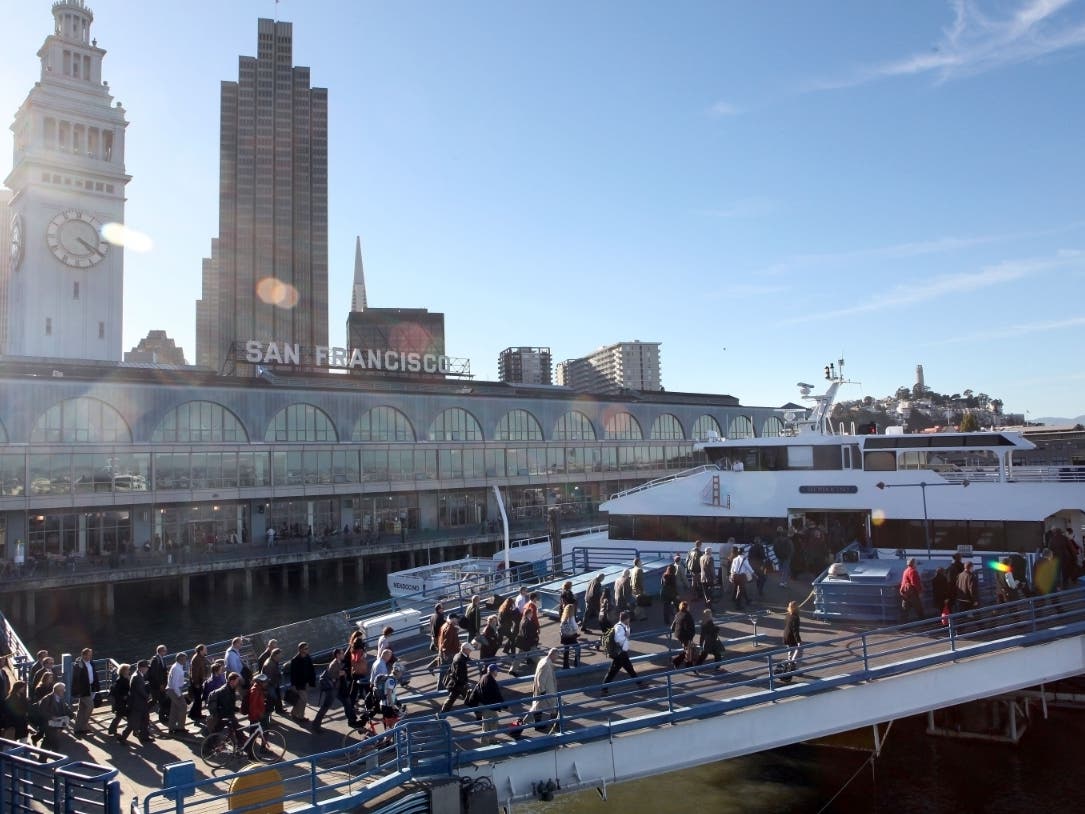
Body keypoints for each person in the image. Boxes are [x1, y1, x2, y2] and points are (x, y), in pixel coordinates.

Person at [313, 647, 356, 733]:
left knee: (347, 702)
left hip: (338, 688)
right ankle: (316, 724)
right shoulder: (334, 664)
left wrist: (342, 673)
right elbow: (331, 676)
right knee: (326, 706)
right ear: (337, 655)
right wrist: (340, 673)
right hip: (332, 689)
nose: (343, 654)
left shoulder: (339, 662)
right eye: (342, 653)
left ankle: (352, 720)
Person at [601, 611, 638, 694]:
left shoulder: (622, 626)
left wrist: (628, 629)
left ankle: (639, 683)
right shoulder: (619, 628)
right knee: (613, 671)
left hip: (622, 653)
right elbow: (618, 639)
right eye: (628, 619)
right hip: (620, 654)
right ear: (626, 619)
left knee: (629, 668)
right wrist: (626, 637)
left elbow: (625, 634)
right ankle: (604, 688)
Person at [120, 661, 152, 745]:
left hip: (140, 703)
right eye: (146, 667)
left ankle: (144, 737)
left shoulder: (138, 675)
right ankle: (123, 738)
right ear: (141, 668)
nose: (147, 669)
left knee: (145, 719)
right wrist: (148, 696)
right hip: (137, 703)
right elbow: (140, 690)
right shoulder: (137, 677)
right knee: (133, 722)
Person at [70, 646, 99, 737]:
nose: (90, 657)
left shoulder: (91, 663)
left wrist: (95, 686)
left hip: (90, 688)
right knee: (90, 706)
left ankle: (78, 728)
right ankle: (84, 726)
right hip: (83, 690)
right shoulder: (79, 664)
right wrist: (77, 691)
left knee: (82, 709)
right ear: (83, 655)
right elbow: (76, 679)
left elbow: (94, 674)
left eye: (90, 655)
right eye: (88, 655)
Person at [529, 648, 559, 734]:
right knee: (553, 706)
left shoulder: (543, 660)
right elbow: (540, 679)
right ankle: (554, 724)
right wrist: (543, 691)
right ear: (552, 655)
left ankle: (538, 724)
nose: (557, 659)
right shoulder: (546, 664)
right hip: (546, 690)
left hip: (543, 689)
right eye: (557, 656)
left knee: (538, 707)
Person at [38, 681, 73, 751]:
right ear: (58, 691)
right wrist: (51, 717)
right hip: (49, 724)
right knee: (52, 741)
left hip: (57, 723)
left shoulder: (60, 698)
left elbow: (65, 708)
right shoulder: (47, 699)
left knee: (49, 741)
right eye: (63, 690)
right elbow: (42, 711)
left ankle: (44, 758)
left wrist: (71, 715)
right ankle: (54, 758)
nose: (64, 692)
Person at [475, 663, 505, 745]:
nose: (497, 672)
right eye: (496, 671)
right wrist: (505, 706)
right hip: (488, 705)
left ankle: (490, 739)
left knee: (490, 721)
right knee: (489, 723)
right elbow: (497, 695)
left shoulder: (484, 677)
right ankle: (486, 741)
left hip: (484, 704)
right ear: (493, 671)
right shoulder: (491, 681)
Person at [440, 643, 472, 713]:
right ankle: (480, 716)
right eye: (469, 650)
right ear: (465, 650)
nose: (470, 651)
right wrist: (464, 683)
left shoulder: (458, 655)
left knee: (450, 700)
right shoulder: (461, 660)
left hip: (455, 683)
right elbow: (459, 674)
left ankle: (441, 715)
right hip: (459, 684)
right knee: (471, 700)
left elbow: (465, 658)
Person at [288, 642, 316, 722]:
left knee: (300, 700)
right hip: (299, 684)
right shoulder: (295, 660)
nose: (307, 650)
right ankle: (300, 716)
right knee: (304, 700)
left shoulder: (307, 657)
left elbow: (311, 669)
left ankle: (293, 712)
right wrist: (293, 685)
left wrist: (312, 681)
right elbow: (293, 674)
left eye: (307, 648)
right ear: (300, 650)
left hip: (306, 682)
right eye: (305, 648)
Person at [166, 651, 188, 736]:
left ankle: (172, 728)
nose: (185, 660)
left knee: (174, 709)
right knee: (183, 707)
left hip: (173, 690)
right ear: (180, 659)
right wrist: (179, 695)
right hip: (174, 690)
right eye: (184, 659)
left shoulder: (177, 667)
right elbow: (175, 684)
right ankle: (180, 727)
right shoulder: (176, 668)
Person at [437, 613, 461, 687]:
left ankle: (442, 687)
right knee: (446, 671)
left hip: (445, 652)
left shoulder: (445, 625)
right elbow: (447, 642)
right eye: (456, 619)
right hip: (449, 653)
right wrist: (445, 653)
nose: (457, 621)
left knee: (444, 671)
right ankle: (442, 687)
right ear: (453, 619)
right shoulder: (450, 628)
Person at [147, 643, 170, 724]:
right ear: (160, 651)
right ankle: (145, 711)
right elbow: (155, 674)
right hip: (157, 686)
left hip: (161, 684)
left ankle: (162, 716)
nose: (166, 652)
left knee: (159, 700)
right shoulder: (155, 660)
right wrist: (160, 684)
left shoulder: (161, 659)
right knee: (159, 700)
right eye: (164, 650)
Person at [106, 664, 130, 738]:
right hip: (121, 701)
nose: (129, 671)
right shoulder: (122, 680)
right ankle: (113, 730)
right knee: (121, 715)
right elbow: (121, 691)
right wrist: (125, 696)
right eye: (128, 670)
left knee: (119, 715)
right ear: (124, 671)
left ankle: (112, 729)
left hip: (120, 700)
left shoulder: (121, 678)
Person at [670, 600, 696, 668]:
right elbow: (691, 627)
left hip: (679, 635)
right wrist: (691, 636)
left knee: (688, 649)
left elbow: (672, 627)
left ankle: (685, 663)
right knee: (689, 649)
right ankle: (679, 662)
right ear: (687, 607)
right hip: (686, 636)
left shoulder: (678, 614)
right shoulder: (688, 615)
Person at [188, 644, 209, 723]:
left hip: (200, 680)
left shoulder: (201, 657)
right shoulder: (196, 659)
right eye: (205, 649)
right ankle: (197, 714)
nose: (206, 651)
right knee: (198, 699)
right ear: (200, 650)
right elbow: (194, 672)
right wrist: (196, 683)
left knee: (198, 699)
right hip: (197, 681)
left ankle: (193, 713)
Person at [899, 558, 925, 622]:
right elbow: (915, 583)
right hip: (912, 594)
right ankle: (924, 624)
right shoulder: (913, 571)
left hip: (905, 593)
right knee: (919, 610)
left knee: (905, 610)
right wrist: (920, 592)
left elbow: (903, 582)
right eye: (916, 563)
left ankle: (902, 626)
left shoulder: (905, 571)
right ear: (913, 564)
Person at [559, 603, 581, 669]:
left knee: (566, 651)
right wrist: (578, 625)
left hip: (564, 637)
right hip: (571, 637)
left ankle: (565, 666)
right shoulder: (571, 617)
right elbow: (575, 627)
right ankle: (576, 664)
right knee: (578, 648)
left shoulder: (563, 617)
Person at [783, 601, 802, 666]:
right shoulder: (795, 617)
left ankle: (789, 665)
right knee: (798, 652)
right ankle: (794, 667)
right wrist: (798, 641)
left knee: (790, 652)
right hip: (791, 637)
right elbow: (795, 630)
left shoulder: (788, 615)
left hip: (786, 635)